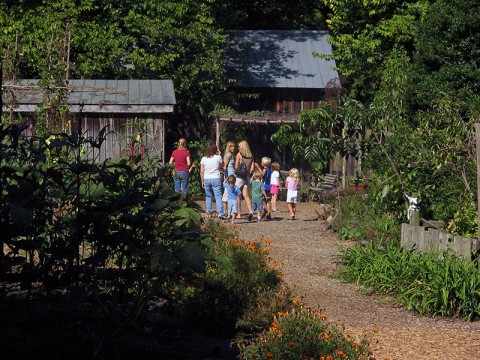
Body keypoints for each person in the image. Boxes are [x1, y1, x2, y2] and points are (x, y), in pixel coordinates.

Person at [200, 143, 226, 218]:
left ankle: (209, 211)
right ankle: (220, 212)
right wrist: (220, 155)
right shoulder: (218, 158)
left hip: (206, 178)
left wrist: (202, 180)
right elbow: (222, 166)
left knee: (208, 196)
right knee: (218, 196)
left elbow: (202, 171)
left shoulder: (203, 159)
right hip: (216, 177)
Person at [235, 140, 255, 221]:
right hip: (247, 177)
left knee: (238, 195)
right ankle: (251, 211)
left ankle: (239, 214)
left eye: (239, 146)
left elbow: (236, 167)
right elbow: (252, 169)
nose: (238, 148)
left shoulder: (239, 155)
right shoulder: (251, 156)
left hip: (239, 177)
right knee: (246, 196)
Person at [222, 141, 237, 215]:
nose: (233, 148)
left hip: (231, 175)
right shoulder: (228, 155)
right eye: (231, 146)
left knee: (230, 193)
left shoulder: (230, 155)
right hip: (229, 176)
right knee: (227, 193)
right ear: (228, 147)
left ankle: (229, 210)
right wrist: (227, 177)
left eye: (234, 146)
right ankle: (225, 211)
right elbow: (225, 166)